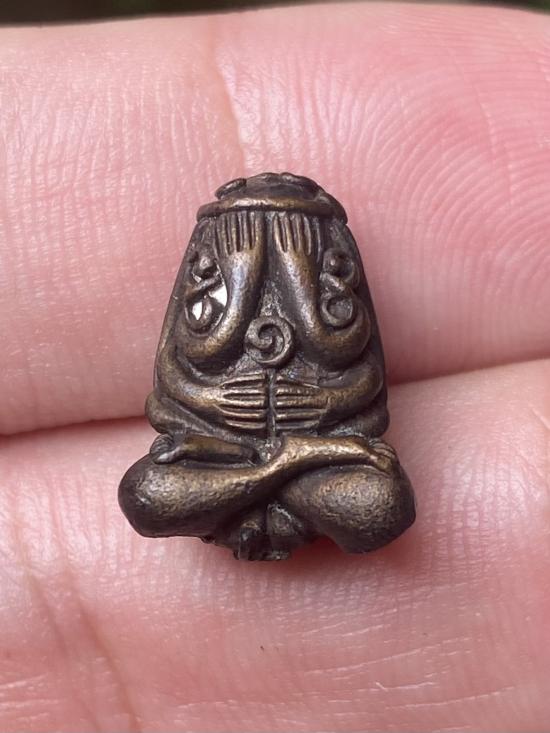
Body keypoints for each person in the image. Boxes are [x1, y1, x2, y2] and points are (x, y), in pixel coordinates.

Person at [0, 2, 549, 730]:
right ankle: (289, 464)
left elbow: (364, 383)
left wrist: (322, 411)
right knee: (144, 493)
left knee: (383, 505)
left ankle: (283, 468)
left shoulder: (331, 264)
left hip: (289, 468)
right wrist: (225, 410)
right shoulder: (208, 270)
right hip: (228, 452)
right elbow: (172, 388)